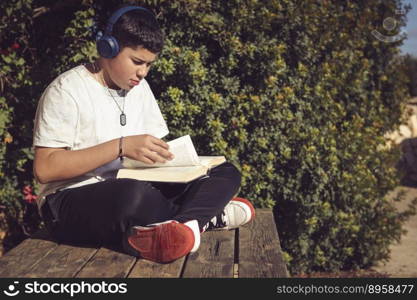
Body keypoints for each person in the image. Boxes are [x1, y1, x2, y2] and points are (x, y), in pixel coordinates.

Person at [32, 5, 255, 264]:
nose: (143, 73)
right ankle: (206, 217)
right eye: (137, 62)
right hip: (69, 202)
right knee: (133, 195)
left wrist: (175, 164)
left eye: (149, 65)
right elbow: (45, 168)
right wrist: (121, 146)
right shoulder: (66, 91)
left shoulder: (140, 89)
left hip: (131, 185)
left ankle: (184, 228)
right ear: (108, 48)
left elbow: (146, 155)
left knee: (225, 171)